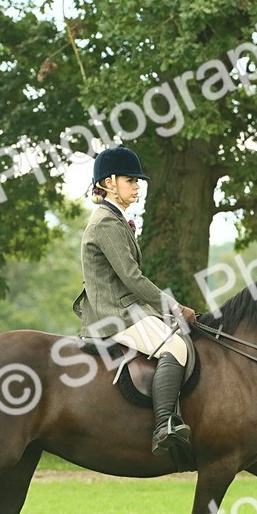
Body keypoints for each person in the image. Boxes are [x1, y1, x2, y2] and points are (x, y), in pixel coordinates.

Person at [71, 144, 197, 455]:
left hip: (127, 309)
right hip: (113, 314)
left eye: (137, 181)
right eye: (130, 180)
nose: (137, 186)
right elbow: (132, 278)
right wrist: (173, 307)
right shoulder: (106, 223)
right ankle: (164, 426)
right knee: (176, 345)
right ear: (109, 183)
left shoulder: (115, 219)